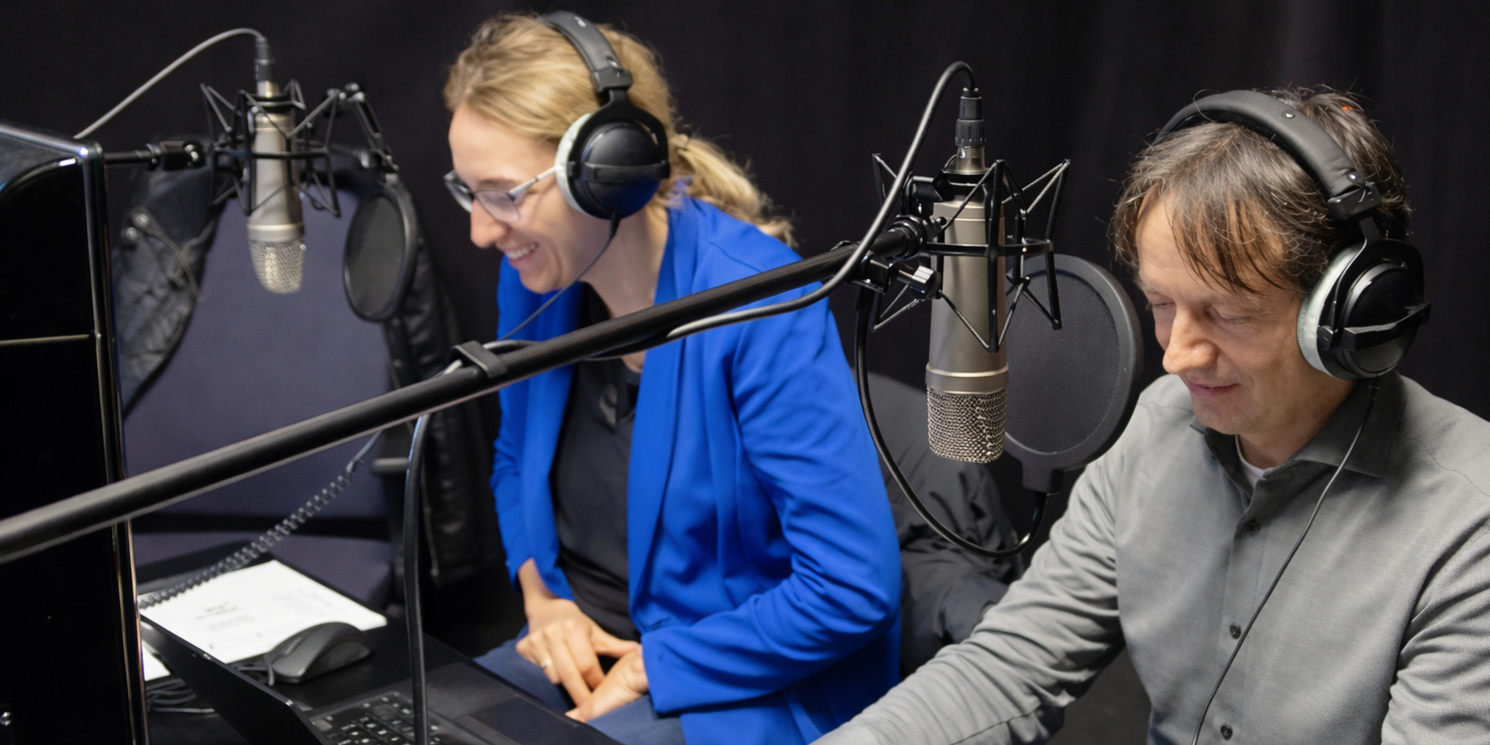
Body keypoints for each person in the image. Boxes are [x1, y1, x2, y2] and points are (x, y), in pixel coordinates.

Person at [819, 88, 1490, 744]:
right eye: (1162, 303)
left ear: (1353, 315)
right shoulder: (1160, 425)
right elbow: (1008, 668)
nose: (1178, 356)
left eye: (1227, 313)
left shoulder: (1468, 526)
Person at [442, 13, 901, 745]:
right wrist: (541, 599)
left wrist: (659, 664)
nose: (481, 231)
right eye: (469, 193)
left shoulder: (758, 303)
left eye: (503, 193)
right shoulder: (533, 279)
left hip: (742, 676)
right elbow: (512, 456)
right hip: (588, 649)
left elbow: (851, 589)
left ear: (606, 170)